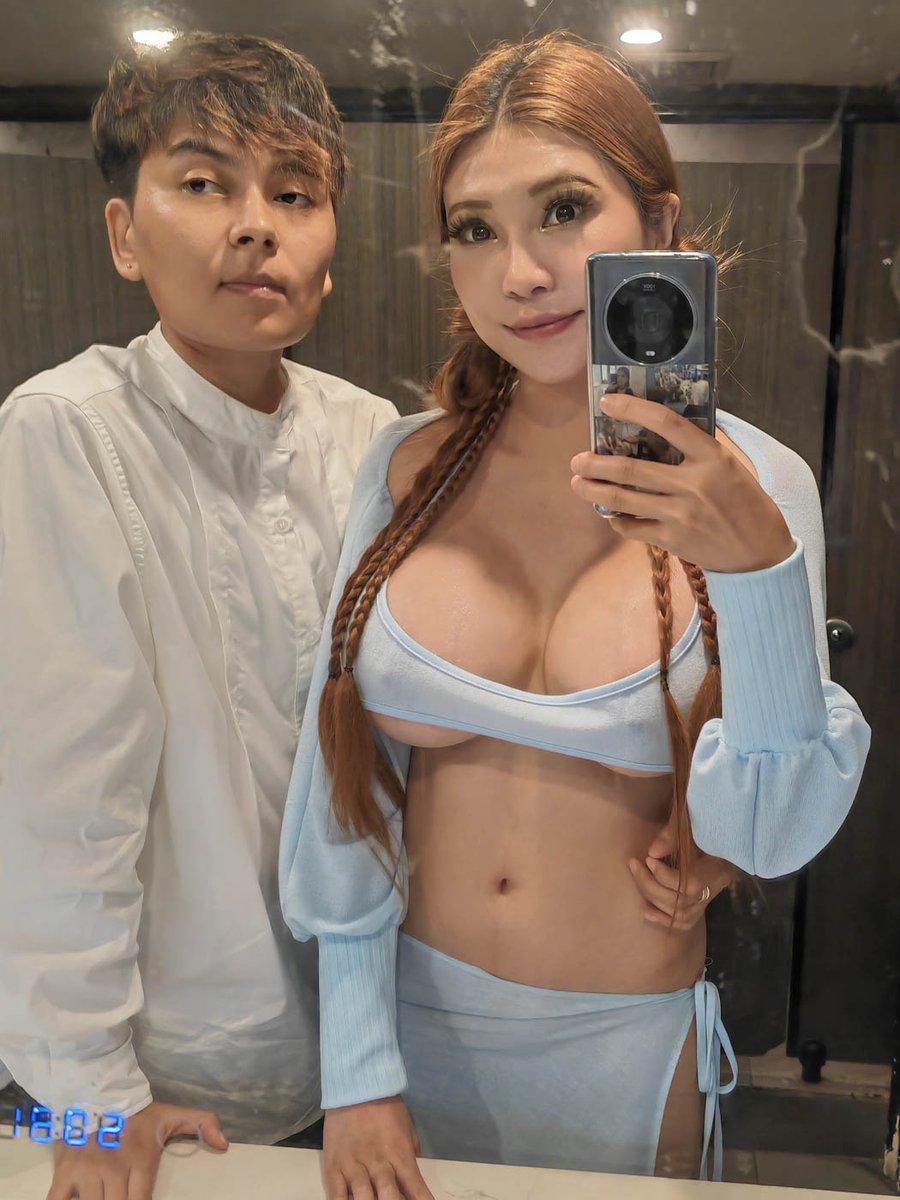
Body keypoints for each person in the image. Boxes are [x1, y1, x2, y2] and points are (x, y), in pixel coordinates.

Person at [278, 33, 871, 1200]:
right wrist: (356, 1067)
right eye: (474, 227)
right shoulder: (406, 469)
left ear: (658, 221)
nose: (521, 272)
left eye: (562, 209)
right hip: (409, 1029)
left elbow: (769, 835)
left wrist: (754, 567)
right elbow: (341, 785)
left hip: (626, 1044)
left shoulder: (760, 487)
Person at [0, 30, 398, 1200]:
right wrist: (84, 1095)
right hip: (145, 1074)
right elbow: (59, 793)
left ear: (331, 246)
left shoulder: (371, 436)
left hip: (359, 1049)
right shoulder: (67, 430)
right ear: (125, 235)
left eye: (295, 193)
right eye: (204, 183)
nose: (255, 225)